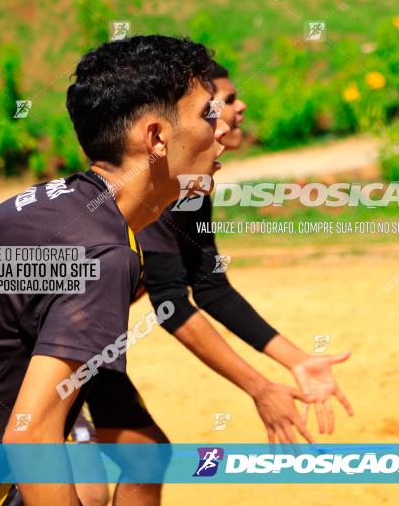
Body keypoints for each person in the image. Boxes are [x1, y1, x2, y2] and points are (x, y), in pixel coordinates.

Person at [0, 35, 228, 505]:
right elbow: (30, 435)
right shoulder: (101, 252)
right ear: (157, 137)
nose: (222, 126)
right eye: (207, 113)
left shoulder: (45, 205)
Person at [83, 63, 353, 504]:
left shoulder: (191, 185)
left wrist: (297, 361)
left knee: (144, 460)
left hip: (86, 344)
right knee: (86, 487)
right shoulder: (157, 183)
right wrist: (259, 388)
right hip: (39, 343)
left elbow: (208, 286)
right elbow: (171, 303)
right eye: (223, 103)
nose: (239, 107)